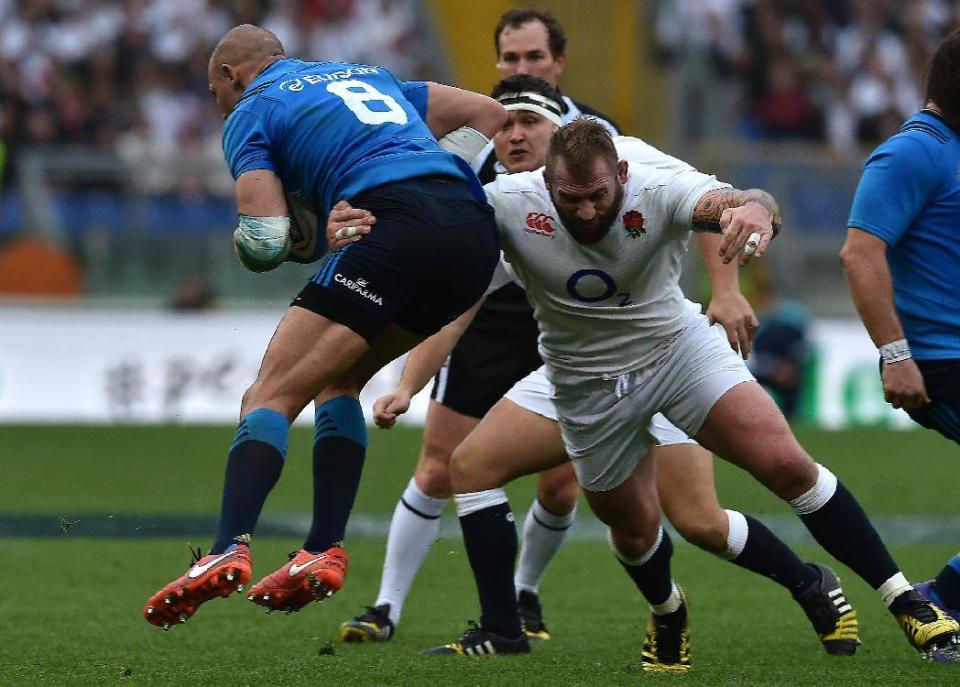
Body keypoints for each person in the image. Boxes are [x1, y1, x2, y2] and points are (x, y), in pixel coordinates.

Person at [331, 119, 960, 669]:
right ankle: (667, 610)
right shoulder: (505, 203)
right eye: (568, 197)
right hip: (582, 384)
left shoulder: (656, 185)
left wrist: (757, 214)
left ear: (621, 174)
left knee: (784, 464)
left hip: (676, 351)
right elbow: (437, 277)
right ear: (545, 183)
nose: (582, 211)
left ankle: (906, 600)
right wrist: (359, 230)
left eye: (596, 196)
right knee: (633, 534)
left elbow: (739, 200)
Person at [337, 6, 748, 647]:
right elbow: (432, 212)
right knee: (441, 464)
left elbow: (696, 202)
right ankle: (386, 606)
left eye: (533, 59)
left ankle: (523, 599)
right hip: (483, 312)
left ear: (558, 63)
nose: (520, 68)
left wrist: (724, 290)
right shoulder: (478, 132)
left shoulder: (596, 140)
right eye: (510, 59)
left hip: (572, 321)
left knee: (564, 482)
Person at [141, 23, 508, 631]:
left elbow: (264, 240)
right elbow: (487, 113)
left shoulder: (251, 111)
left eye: (214, 93)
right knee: (340, 385)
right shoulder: (365, 75)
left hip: (393, 232)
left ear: (233, 75)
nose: (218, 107)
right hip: (470, 239)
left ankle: (228, 546)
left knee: (269, 395)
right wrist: (431, 177)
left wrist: (304, 238)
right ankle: (321, 550)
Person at [840, 31, 960, 662]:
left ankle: (946, 596)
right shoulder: (912, 153)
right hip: (941, 360)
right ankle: (945, 597)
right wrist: (895, 354)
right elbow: (860, 254)